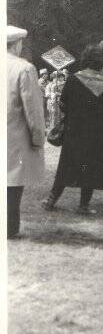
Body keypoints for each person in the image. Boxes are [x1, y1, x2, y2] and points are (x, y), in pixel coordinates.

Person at [43, 44, 103, 214]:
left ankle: (51, 201)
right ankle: (83, 206)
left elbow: (63, 105)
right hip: (97, 134)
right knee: (90, 167)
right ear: (102, 62)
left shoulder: (73, 79)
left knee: (66, 165)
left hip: (74, 131)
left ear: (86, 60)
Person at [7, 26, 46, 237]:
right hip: (13, 136)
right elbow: (33, 109)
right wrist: (38, 137)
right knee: (12, 184)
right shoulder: (24, 68)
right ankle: (9, 229)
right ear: (17, 44)